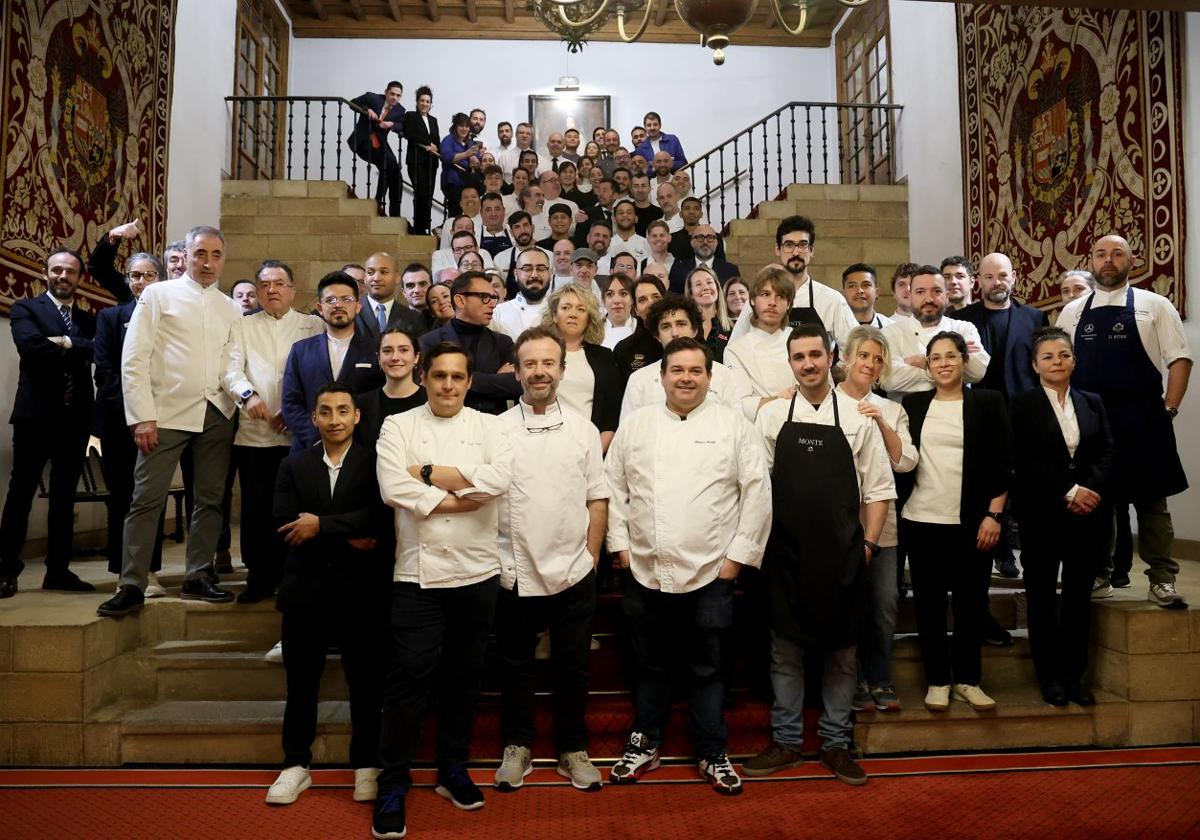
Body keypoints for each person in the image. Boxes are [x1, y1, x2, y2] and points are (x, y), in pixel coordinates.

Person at [606, 337, 771, 795]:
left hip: (711, 572)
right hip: (645, 569)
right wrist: (620, 546)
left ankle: (712, 751)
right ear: (661, 376)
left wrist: (736, 559)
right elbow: (612, 488)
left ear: (709, 377)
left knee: (708, 669)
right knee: (650, 666)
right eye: (676, 369)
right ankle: (645, 743)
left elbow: (758, 494)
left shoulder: (735, 426)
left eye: (695, 370)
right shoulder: (636, 426)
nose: (685, 378)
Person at [373, 342, 513, 839]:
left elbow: (500, 479)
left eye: (457, 377)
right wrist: (459, 499)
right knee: (409, 679)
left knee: (465, 676)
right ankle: (393, 781)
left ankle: (452, 767)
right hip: (417, 574)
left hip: (477, 572)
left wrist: (428, 478)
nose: (448, 385)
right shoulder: (398, 425)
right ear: (424, 377)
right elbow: (393, 487)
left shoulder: (492, 425)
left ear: (469, 382)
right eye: (439, 376)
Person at [746, 323, 894, 787]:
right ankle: (787, 742)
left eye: (815, 354)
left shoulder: (857, 416)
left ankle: (835, 742)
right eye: (798, 357)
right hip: (785, 555)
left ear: (831, 357)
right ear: (790, 362)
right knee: (784, 653)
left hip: (843, 555)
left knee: (842, 655)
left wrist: (868, 546)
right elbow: (755, 489)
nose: (808, 363)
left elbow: (879, 490)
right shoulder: (771, 417)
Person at [97, 227, 242, 616]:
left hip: (217, 412)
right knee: (146, 499)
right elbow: (134, 358)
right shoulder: (158, 295)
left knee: (210, 499)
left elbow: (232, 362)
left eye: (215, 254)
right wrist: (141, 416)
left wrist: (243, 396)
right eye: (199, 253)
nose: (207, 262)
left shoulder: (231, 307)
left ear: (223, 259)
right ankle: (132, 582)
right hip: (166, 414)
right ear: (185, 256)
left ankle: (199, 575)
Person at [264, 382, 394, 807]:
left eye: (343, 411)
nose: (334, 419)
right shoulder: (295, 463)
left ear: (357, 416)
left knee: (366, 684)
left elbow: (380, 518)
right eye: (325, 411)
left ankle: (366, 765)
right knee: (301, 683)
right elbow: (285, 524)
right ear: (315, 418)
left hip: (363, 591)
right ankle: (295, 764)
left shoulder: (377, 461)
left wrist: (320, 526)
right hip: (306, 590)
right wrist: (347, 534)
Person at [493, 327, 609, 793]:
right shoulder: (496, 430)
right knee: (515, 665)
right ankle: (517, 747)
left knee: (573, 665)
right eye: (530, 364)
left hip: (573, 568)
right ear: (517, 371)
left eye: (548, 363)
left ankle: (573, 749)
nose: (539, 372)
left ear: (561, 369)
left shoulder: (583, 429)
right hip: (514, 569)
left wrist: (591, 557)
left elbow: (597, 498)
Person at [1056, 234, 1191, 608]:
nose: (1109, 260)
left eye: (1117, 254)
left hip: (1144, 417)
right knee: (1095, 501)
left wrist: (1170, 407)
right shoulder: (1073, 311)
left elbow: (1179, 359)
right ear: (1092, 261)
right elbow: (1060, 364)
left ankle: (1162, 579)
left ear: (1132, 259)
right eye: (1101, 254)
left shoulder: (1154, 304)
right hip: (1092, 421)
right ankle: (1099, 575)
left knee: (1152, 503)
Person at [900, 331, 1012, 712]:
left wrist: (994, 514)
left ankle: (968, 679)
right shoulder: (913, 405)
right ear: (928, 366)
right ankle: (937, 680)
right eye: (936, 358)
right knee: (929, 605)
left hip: (973, 522)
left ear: (964, 361)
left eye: (951, 356)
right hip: (920, 518)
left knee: (971, 604)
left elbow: (1003, 463)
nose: (944, 363)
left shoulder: (988, 402)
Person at [1010, 327, 1114, 707]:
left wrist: (1090, 489)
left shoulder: (1092, 402)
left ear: (1074, 359)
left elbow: (1106, 452)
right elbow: (1023, 460)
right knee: (1040, 598)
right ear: (1036, 365)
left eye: (1064, 355)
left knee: (1077, 599)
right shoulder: (1021, 405)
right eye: (1049, 357)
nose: (1058, 362)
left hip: (1087, 517)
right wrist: (1069, 490)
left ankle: (1075, 676)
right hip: (1042, 515)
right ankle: (1049, 677)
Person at [222, 260, 324, 603]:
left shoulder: (313, 325)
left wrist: (295, 409)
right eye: (264, 285)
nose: (272, 290)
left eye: (279, 283)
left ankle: (292, 575)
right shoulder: (242, 326)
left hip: (300, 436)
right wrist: (248, 396)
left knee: (293, 509)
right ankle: (258, 575)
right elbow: (231, 369)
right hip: (255, 435)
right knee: (256, 509)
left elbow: (320, 373)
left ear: (293, 290)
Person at [0, 248, 98, 597]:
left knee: (63, 498)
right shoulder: (27, 308)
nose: (62, 276)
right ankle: (6, 570)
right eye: (56, 270)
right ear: (46, 274)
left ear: (79, 278)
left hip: (75, 419)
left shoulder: (86, 319)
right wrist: (77, 348)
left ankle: (58, 571)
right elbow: (31, 347)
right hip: (35, 416)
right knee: (21, 493)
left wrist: (67, 341)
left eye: (70, 271)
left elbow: (98, 349)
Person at [835, 326, 918, 713]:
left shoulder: (893, 408)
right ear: (847, 359)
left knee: (883, 604)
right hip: (838, 527)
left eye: (877, 359)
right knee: (846, 607)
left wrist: (881, 421)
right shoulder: (825, 402)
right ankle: (848, 685)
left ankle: (880, 679)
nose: (869, 363)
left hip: (882, 528)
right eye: (863, 356)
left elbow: (904, 462)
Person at [956, 252, 1051, 578]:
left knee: (1023, 482)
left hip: (1023, 412)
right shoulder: (962, 319)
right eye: (989, 276)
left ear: (1014, 277)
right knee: (987, 483)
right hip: (979, 411)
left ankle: (1026, 550)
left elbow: (1043, 367)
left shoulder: (1035, 318)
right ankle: (1000, 552)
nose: (997, 282)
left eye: (1003, 276)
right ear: (978, 280)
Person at [90, 250, 168, 596]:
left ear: (160, 279)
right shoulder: (110, 317)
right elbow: (104, 369)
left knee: (150, 495)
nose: (140, 281)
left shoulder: (170, 315)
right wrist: (135, 409)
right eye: (135, 275)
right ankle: (123, 570)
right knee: (122, 494)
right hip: (119, 418)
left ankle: (148, 569)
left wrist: (152, 408)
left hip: (161, 416)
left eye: (149, 274)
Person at [281, 271, 384, 452]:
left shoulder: (375, 350)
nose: (338, 305)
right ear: (320, 308)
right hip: (309, 447)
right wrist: (316, 436)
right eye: (331, 300)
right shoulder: (301, 350)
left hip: (360, 449)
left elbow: (379, 399)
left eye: (346, 299)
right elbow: (291, 402)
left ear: (358, 306)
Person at [729, 216, 855, 346]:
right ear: (778, 250)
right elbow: (734, 346)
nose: (796, 252)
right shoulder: (759, 298)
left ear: (812, 250)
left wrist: (834, 367)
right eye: (789, 245)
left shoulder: (832, 300)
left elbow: (856, 348)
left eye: (803, 245)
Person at [620, 294, 748, 421]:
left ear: (695, 330)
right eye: (666, 327)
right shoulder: (640, 379)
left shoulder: (722, 374)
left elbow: (737, 425)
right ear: (657, 336)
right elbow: (628, 432)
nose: (675, 333)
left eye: (681, 324)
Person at [419, 271, 522, 414]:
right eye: (485, 297)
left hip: (490, 425)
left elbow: (517, 385)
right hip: (444, 423)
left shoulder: (502, 342)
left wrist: (457, 378)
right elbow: (428, 387)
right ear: (460, 301)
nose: (492, 305)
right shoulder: (429, 342)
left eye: (493, 298)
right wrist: (495, 380)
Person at [880, 267, 990, 398]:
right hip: (906, 416)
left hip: (957, 413)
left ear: (947, 296)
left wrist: (924, 363)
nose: (929, 299)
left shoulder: (964, 328)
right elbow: (888, 380)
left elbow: (977, 372)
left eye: (937, 291)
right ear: (910, 297)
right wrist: (951, 366)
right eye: (920, 292)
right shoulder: (890, 333)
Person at [540, 286, 622, 452]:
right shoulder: (539, 352)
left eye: (581, 309)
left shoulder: (604, 357)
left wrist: (593, 454)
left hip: (590, 447)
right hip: (543, 444)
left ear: (589, 318)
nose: (573, 314)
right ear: (555, 315)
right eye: (565, 307)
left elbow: (611, 416)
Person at [722, 267, 795, 421]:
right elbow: (741, 405)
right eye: (765, 294)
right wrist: (781, 399)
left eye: (780, 296)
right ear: (753, 300)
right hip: (758, 431)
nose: (772, 303)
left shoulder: (801, 340)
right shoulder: (736, 350)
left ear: (789, 304)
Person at [359, 328, 427, 443]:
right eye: (387, 351)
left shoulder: (432, 400)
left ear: (416, 357)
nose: (395, 357)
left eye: (403, 350)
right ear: (379, 358)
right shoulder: (362, 405)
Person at [350, 81, 405, 217]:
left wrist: (392, 124)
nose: (394, 98)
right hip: (363, 142)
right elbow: (352, 102)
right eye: (392, 94)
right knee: (388, 164)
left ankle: (395, 215)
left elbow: (402, 125)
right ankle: (378, 200)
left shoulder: (399, 110)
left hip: (380, 143)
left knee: (396, 174)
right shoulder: (372, 98)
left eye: (398, 95)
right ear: (386, 92)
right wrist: (367, 109)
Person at [355, 252, 427, 343]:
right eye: (370, 272)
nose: (376, 278)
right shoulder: (352, 312)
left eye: (384, 272)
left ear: (397, 278)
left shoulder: (414, 318)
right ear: (365, 278)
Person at [400, 86, 440, 235]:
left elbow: (437, 141)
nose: (424, 104)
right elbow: (409, 134)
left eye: (427, 101)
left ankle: (425, 227)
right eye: (422, 101)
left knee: (428, 196)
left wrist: (436, 148)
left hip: (431, 164)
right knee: (420, 194)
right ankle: (418, 228)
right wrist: (428, 144)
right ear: (417, 102)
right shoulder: (411, 116)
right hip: (416, 161)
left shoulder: (434, 120)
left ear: (431, 104)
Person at [612, 274, 666, 381]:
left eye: (656, 297)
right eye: (642, 300)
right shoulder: (624, 350)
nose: (651, 303)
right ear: (636, 309)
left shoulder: (683, 341)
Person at [493, 246, 552, 340]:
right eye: (527, 269)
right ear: (516, 274)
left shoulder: (558, 312)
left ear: (550, 273)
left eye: (541, 268)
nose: (534, 275)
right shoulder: (497, 313)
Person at [669, 224, 739, 294]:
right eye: (700, 237)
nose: (705, 242)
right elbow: (674, 299)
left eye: (710, 237)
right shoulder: (678, 269)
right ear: (692, 243)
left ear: (716, 243)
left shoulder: (731, 271)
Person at [684, 265, 733, 363]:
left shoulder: (734, 327)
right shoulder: (684, 327)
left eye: (709, 282)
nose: (706, 287)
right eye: (698, 284)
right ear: (691, 294)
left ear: (717, 288)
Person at [842, 264, 892, 328]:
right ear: (843, 294)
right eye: (852, 286)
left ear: (876, 292)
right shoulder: (834, 329)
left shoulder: (891, 328)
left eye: (866, 285)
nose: (859, 290)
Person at [601, 274, 636, 350]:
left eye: (623, 293)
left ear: (632, 299)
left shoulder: (643, 329)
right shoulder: (592, 331)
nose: (617, 300)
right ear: (603, 301)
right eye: (610, 294)